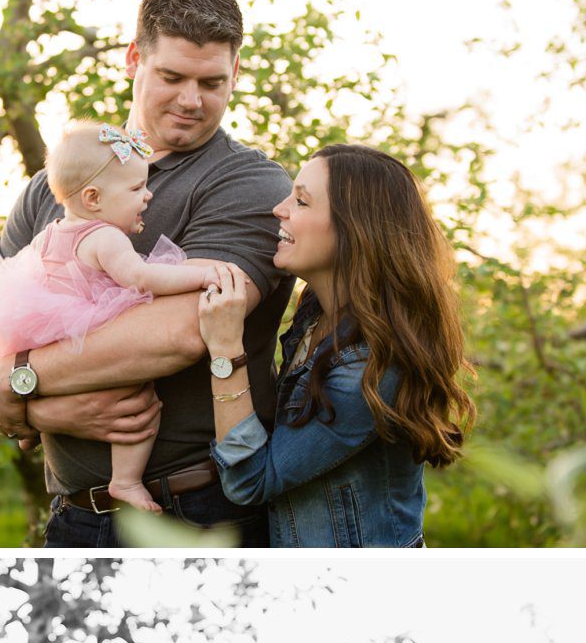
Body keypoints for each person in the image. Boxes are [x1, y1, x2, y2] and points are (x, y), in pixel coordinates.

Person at [0, 0, 294, 546]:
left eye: (213, 82)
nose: (192, 99)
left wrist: (17, 383)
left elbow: (180, 332)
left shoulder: (248, 183)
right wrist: (39, 410)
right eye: (172, 77)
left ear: (235, 75)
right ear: (135, 58)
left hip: (198, 509)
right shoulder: (55, 187)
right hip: (73, 516)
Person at [198, 144, 476, 545]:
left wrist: (224, 349)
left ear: (354, 229)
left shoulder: (370, 364)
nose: (279, 209)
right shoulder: (316, 316)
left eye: (301, 201)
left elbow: (251, 481)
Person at [0, 122, 226, 512]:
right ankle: (126, 481)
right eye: (135, 189)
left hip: (44, 335)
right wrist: (202, 273)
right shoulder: (105, 237)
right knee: (136, 399)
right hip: (85, 328)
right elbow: (142, 277)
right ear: (93, 197)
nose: (147, 196)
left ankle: (29, 429)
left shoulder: (49, 233)